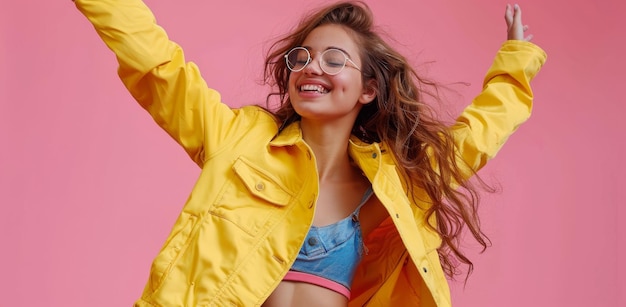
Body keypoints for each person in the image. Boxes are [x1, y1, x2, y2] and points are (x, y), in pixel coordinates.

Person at [73, 0, 546, 306]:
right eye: (300, 57)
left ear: (368, 89)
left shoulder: (397, 181)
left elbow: (475, 137)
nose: (310, 67)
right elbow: (159, 68)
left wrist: (516, 61)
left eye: (334, 60)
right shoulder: (238, 138)